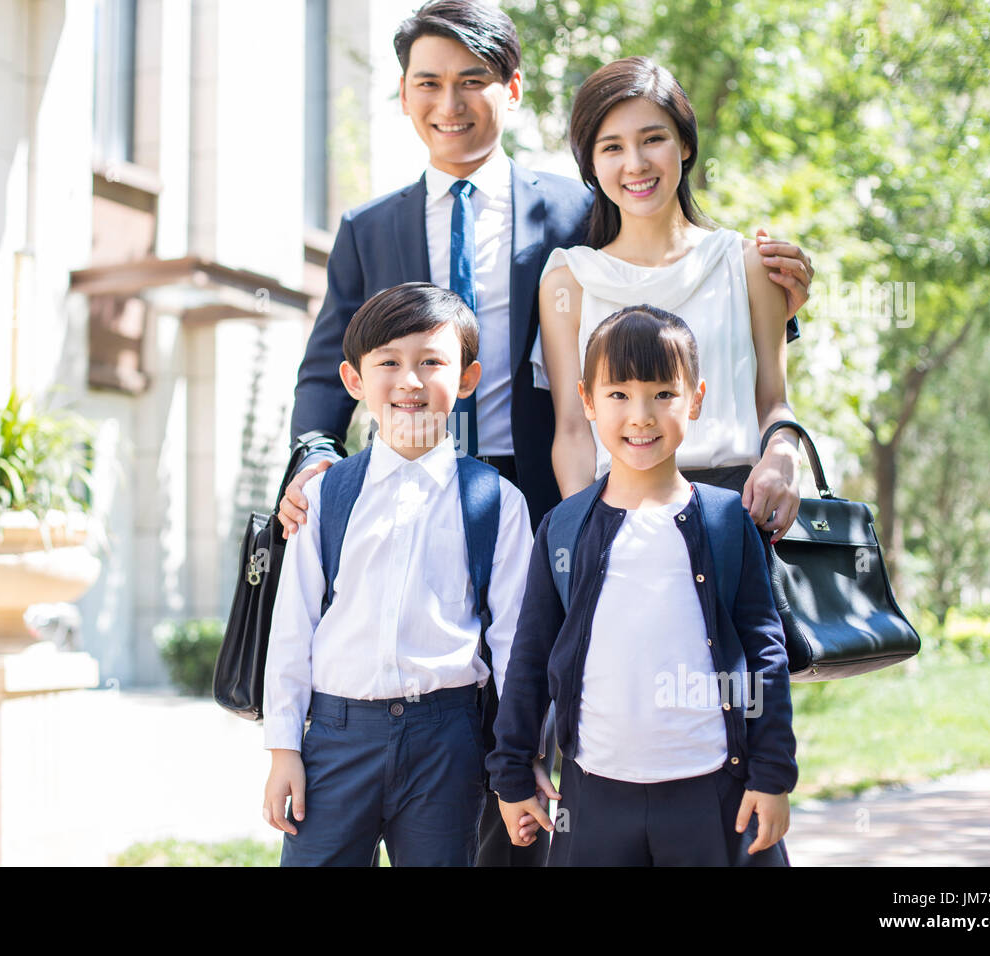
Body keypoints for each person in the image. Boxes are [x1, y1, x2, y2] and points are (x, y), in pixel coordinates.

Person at [277, 0, 812, 866]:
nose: (450, 105)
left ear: (511, 88)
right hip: (422, 493)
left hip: (540, 494)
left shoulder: (572, 212)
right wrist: (312, 458)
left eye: (473, 82)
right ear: (404, 96)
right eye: (428, 85)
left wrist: (781, 307)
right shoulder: (366, 229)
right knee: (458, 714)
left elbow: (670, 293)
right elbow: (321, 367)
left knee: (559, 713)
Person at [488, 305, 797, 866]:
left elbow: (765, 653)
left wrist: (773, 773)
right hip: (593, 797)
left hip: (715, 795)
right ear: (586, 400)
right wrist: (512, 771)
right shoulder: (563, 527)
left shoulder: (728, 522)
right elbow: (530, 656)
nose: (641, 416)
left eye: (662, 394)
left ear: (696, 398)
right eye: (619, 395)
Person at [260, 283, 534, 866]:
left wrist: (520, 755)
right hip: (336, 737)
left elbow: (515, 641)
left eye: (431, 362)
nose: (409, 381)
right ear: (355, 380)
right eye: (388, 362)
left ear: (466, 379)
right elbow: (294, 627)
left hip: (448, 740)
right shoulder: (325, 494)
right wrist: (284, 749)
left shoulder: (496, 501)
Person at [533, 56, 804, 539]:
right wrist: (579, 539)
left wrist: (783, 456)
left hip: (736, 517)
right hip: (615, 520)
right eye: (612, 147)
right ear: (592, 165)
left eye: (653, 139)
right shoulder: (568, 280)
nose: (635, 163)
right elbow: (573, 429)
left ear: (683, 143)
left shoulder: (746, 265)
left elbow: (774, 404)